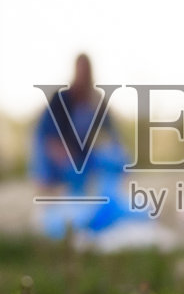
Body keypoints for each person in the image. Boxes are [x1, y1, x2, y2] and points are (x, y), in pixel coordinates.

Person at [31, 54, 131, 237]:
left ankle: (78, 197)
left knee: (108, 160)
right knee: (58, 177)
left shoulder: (96, 101)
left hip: (81, 158)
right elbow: (51, 140)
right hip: (59, 157)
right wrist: (67, 163)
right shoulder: (61, 99)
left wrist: (117, 160)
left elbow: (111, 137)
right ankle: (50, 202)